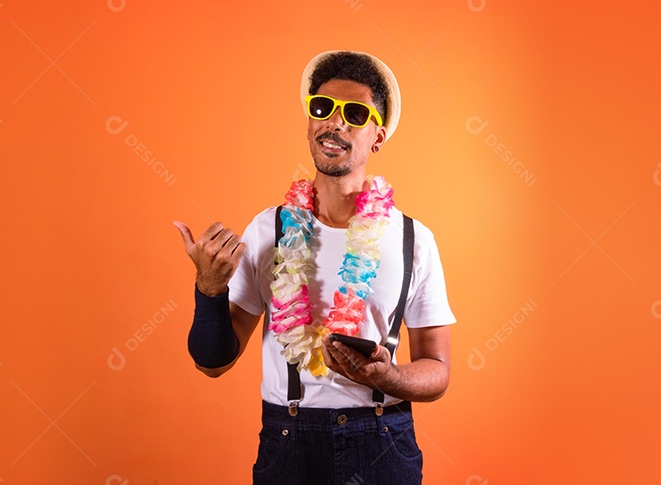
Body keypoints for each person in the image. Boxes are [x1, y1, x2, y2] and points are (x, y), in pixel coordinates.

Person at [173, 50, 457, 484]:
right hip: (289, 444)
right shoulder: (268, 229)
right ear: (309, 121)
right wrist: (209, 290)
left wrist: (390, 375)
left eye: (355, 114)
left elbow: (437, 371)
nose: (336, 123)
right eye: (323, 108)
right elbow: (211, 364)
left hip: (383, 442)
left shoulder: (413, 239)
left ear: (377, 137)